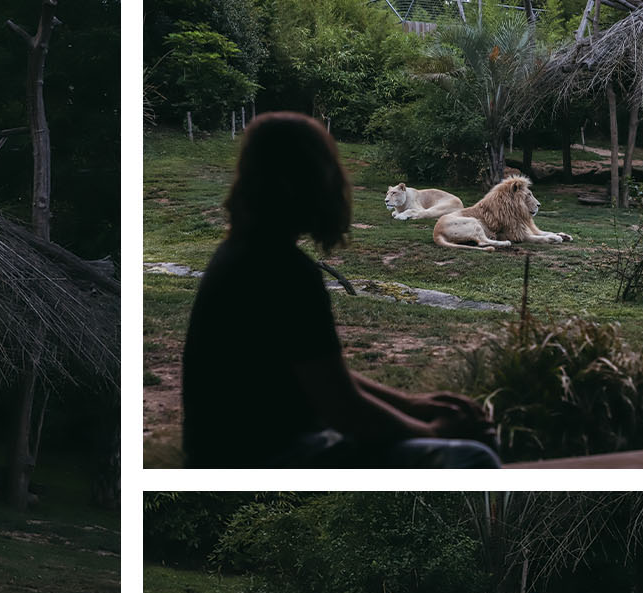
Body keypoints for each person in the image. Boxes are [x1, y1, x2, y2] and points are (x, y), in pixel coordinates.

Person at [181, 111, 501, 469]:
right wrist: (432, 430)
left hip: (227, 448)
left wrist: (414, 404)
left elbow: (320, 372)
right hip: (260, 455)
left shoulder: (242, 253)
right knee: (475, 457)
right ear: (305, 183)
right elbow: (342, 406)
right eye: (329, 170)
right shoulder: (285, 271)